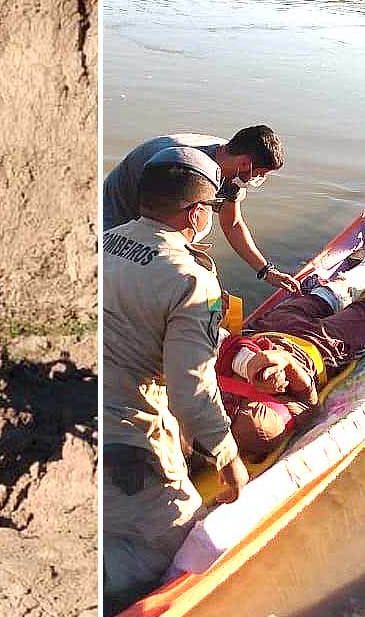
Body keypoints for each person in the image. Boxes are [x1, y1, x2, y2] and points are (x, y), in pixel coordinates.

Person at [103, 146, 248, 611]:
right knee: (172, 541)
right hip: (128, 436)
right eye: (210, 209)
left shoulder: (104, 241)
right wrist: (227, 455)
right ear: (195, 213)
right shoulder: (191, 280)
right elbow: (192, 390)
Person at [216, 226, 365, 458]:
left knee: (330, 293)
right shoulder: (260, 427)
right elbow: (310, 405)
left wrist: (222, 317)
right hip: (321, 347)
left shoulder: (202, 405)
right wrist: (286, 362)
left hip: (270, 329)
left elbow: (212, 343)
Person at [102, 126, 299, 292]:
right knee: (128, 266)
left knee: (194, 234)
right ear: (245, 163)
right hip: (124, 200)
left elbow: (232, 223)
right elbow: (159, 228)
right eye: (260, 174)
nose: (258, 179)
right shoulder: (183, 168)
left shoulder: (234, 167)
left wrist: (266, 270)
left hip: (167, 201)